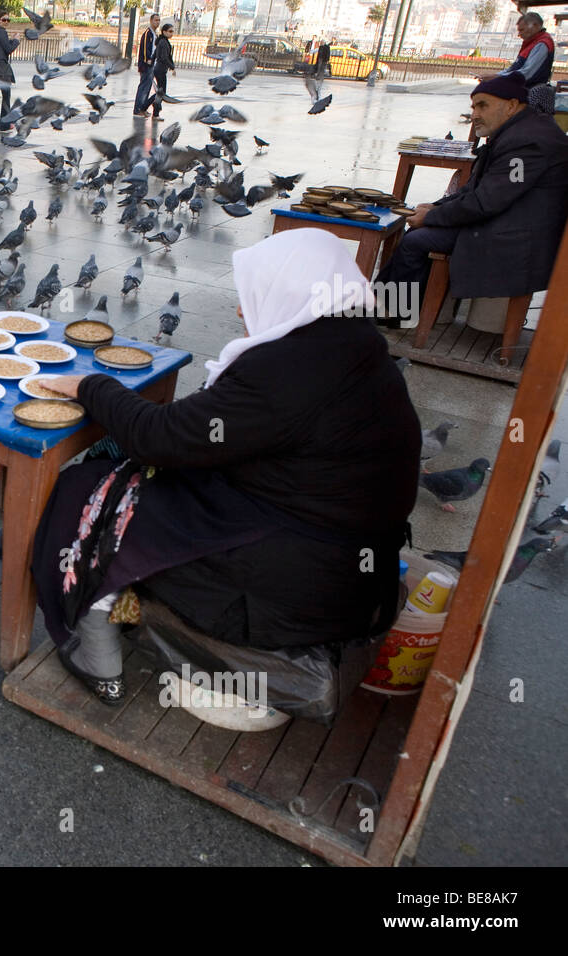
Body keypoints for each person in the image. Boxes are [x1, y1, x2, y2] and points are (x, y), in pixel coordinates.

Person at [32, 229, 421, 705]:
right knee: (152, 476)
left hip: (295, 595)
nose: (241, 310)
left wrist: (92, 386)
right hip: (354, 576)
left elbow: (160, 438)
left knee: (93, 491)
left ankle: (96, 639)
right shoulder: (355, 345)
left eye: (253, 295)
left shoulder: (290, 369)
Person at [375, 74, 568, 320]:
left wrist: (432, 216)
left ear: (511, 105)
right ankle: (383, 307)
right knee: (415, 234)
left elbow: (486, 202)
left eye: (483, 105)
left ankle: (393, 313)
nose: (475, 114)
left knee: (416, 241)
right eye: (474, 107)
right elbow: (476, 188)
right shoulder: (520, 132)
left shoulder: (526, 143)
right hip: (509, 223)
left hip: (516, 239)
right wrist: (435, 207)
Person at [498, 12, 556, 115]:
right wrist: (497, 76)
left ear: (535, 26)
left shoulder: (542, 43)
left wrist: (499, 78)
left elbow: (527, 72)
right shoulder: (531, 43)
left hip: (529, 90)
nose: (519, 34)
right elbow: (513, 69)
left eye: (522, 30)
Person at [133, 12, 160, 116]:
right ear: (151, 21)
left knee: (148, 87)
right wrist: (147, 59)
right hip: (147, 65)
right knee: (143, 87)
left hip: (152, 64)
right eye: (155, 20)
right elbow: (144, 48)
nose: (157, 22)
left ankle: (143, 108)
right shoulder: (147, 33)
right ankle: (138, 109)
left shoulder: (154, 34)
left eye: (158, 20)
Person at [150, 22, 176, 118]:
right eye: (170, 31)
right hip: (160, 70)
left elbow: (155, 54)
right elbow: (164, 57)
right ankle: (155, 113)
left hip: (159, 69)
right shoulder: (164, 42)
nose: (171, 33)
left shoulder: (162, 41)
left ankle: (147, 107)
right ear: (164, 32)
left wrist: (151, 61)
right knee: (161, 93)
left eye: (172, 31)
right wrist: (172, 67)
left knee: (160, 92)